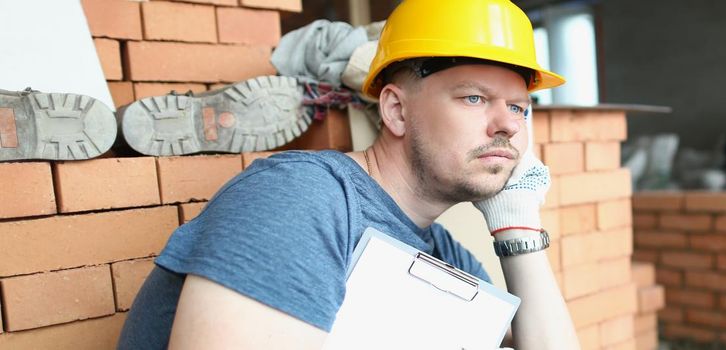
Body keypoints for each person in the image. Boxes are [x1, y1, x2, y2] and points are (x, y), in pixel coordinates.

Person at [117, 0, 579, 349]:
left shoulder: (447, 258)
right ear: (396, 110)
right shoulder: (298, 200)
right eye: (474, 98)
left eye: (518, 107)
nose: (509, 125)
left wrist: (516, 224)